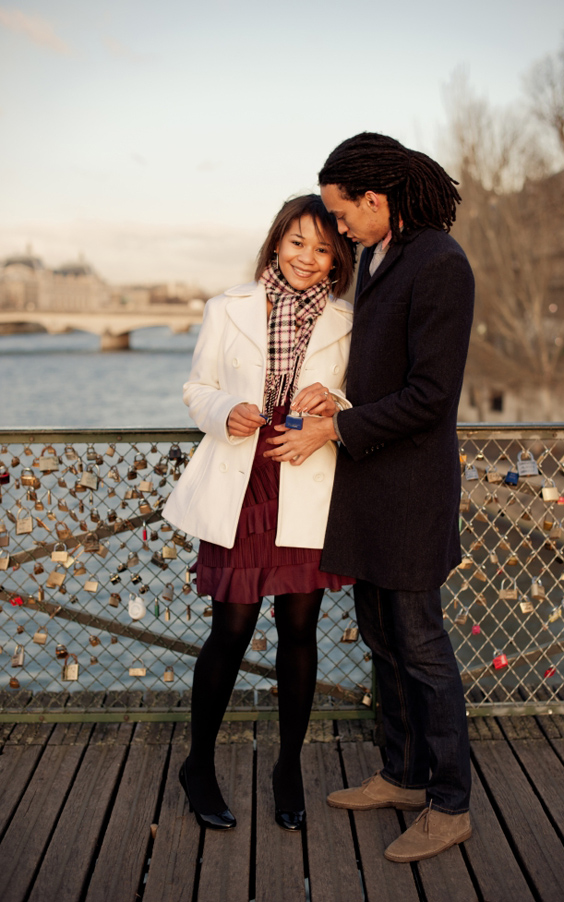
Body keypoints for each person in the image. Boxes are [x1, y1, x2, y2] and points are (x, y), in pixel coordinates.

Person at [264, 133, 475, 862]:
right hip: (370, 486)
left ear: (374, 200)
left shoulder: (441, 263)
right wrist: (338, 393)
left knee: (422, 649)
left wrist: (332, 429)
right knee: (384, 642)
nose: (338, 230)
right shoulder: (388, 256)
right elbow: (386, 372)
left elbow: (431, 396)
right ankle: (403, 775)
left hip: (411, 493)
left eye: (341, 215)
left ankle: (449, 806)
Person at [163, 194, 355, 832]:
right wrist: (225, 412)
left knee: (301, 629)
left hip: (305, 473)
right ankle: (198, 765)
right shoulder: (228, 307)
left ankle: (289, 766)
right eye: (297, 242)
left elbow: (358, 398)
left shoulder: (347, 318)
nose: (307, 257)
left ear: (336, 261)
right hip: (243, 476)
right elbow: (197, 388)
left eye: (323, 248)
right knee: (233, 627)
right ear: (277, 242)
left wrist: (331, 397)